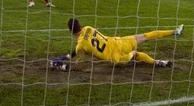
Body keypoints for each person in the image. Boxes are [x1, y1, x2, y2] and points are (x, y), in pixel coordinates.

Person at [49, 18, 184, 69]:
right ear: (80, 25)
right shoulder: (88, 28)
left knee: (135, 54)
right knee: (145, 36)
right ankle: (175, 31)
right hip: (120, 42)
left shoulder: (80, 46)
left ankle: (157, 62)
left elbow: (77, 54)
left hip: (116, 58)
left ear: (70, 31)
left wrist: (65, 59)